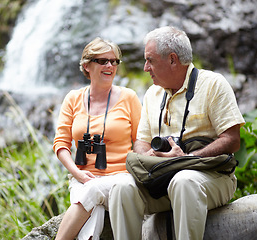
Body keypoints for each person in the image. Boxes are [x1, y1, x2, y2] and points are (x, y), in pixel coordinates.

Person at [108, 26, 245, 240]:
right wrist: (150, 156)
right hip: (162, 178)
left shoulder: (213, 84)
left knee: (184, 181)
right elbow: (141, 141)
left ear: (172, 60)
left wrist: (187, 159)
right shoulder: (153, 93)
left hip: (211, 177)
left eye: (150, 60)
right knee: (120, 186)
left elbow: (232, 140)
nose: (145, 68)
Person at [53, 37, 142, 240]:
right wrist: (77, 174)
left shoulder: (129, 98)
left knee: (92, 191)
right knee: (93, 216)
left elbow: (140, 141)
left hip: (122, 180)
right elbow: (61, 144)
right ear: (87, 66)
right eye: (103, 61)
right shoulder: (73, 98)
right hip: (82, 178)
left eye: (114, 61)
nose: (110, 65)